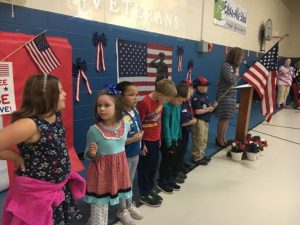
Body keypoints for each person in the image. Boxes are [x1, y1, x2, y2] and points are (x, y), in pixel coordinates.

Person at [1, 74, 85, 225]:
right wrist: (15, 157)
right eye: (60, 91)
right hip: (37, 193)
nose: (65, 94)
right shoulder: (29, 124)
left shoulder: (54, 115)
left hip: (57, 188)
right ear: (46, 96)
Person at [84, 85, 134, 225]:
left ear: (117, 107)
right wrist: (92, 153)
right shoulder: (94, 130)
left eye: (107, 105)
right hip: (101, 174)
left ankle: (97, 219)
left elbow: (122, 145)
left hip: (119, 171)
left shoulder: (125, 125)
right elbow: (88, 156)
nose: (102, 109)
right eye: (99, 105)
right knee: (100, 207)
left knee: (108, 204)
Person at [136, 79, 177, 207]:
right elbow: (138, 125)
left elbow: (158, 122)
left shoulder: (159, 102)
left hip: (155, 140)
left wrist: (159, 138)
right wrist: (141, 144)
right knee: (145, 168)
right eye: (166, 99)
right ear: (159, 94)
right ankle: (144, 193)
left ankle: (150, 189)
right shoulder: (144, 103)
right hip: (146, 141)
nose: (166, 103)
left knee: (153, 166)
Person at [116, 81, 144, 221]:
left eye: (136, 94)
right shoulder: (117, 114)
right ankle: (122, 210)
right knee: (123, 183)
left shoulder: (135, 110)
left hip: (135, 152)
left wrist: (141, 143)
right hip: (123, 154)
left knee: (130, 180)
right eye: (131, 95)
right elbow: (114, 140)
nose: (135, 97)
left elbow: (139, 129)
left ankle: (129, 204)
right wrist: (133, 140)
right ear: (120, 96)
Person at [157, 82, 189, 194]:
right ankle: (162, 181)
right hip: (168, 141)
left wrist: (179, 136)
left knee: (172, 161)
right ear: (173, 97)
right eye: (179, 100)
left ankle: (169, 179)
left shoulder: (178, 106)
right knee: (166, 161)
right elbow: (165, 126)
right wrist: (169, 142)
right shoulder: (166, 108)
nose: (180, 103)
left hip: (176, 139)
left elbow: (178, 122)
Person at [215, 47, 243, 147]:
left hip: (232, 96)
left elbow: (234, 81)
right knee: (223, 118)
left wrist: (236, 73)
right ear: (236, 56)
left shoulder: (234, 67)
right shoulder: (226, 66)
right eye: (241, 56)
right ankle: (219, 139)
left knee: (227, 119)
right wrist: (236, 73)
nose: (242, 58)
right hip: (224, 96)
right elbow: (231, 81)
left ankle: (223, 138)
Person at [191, 76, 218, 165]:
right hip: (199, 121)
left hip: (206, 120)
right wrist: (208, 110)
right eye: (205, 86)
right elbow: (197, 111)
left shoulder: (205, 96)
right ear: (199, 87)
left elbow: (207, 107)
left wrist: (213, 107)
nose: (207, 87)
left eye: (207, 85)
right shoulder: (196, 98)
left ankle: (201, 155)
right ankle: (196, 157)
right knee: (198, 138)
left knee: (204, 139)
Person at [179, 80, 197, 173]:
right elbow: (181, 121)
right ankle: (179, 163)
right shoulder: (181, 103)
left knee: (184, 148)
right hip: (182, 130)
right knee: (180, 148)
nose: (192, 90)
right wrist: (191, 122)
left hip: (187, 130)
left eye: (192, 88)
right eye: (190, 89)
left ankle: (181, 160)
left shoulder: (187, 101)